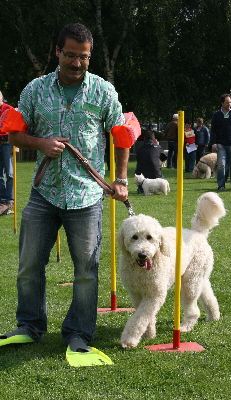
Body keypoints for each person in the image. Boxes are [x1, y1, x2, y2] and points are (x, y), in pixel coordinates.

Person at [1, 23, 129, 354]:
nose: (77, 63)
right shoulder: (34, 90)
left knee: (86, 270)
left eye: (83, 57)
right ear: (58, 52)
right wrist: (40, 142)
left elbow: (121, 134)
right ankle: (29, 325)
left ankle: (78, 333)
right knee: (29, 266)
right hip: (44, 193)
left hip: (87, 196)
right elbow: (14, 133)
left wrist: (122, 179)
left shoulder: (103, 91)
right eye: (70, 55)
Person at [210, 94, 231, 191]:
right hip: (221, 144)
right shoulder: (216, 115)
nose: (229, 104)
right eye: (227, 102)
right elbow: (212, 130)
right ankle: (221, 185)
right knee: (221, 165)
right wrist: (213, 143)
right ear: (222, 103)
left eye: (230, 102)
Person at [0, 91, 14, 216]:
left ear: (2, 98)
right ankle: (2, 200)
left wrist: (15, 145)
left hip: (7, 143)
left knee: (9, 173)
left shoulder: (9, 109)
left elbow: (15, 128)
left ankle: (10, 200)